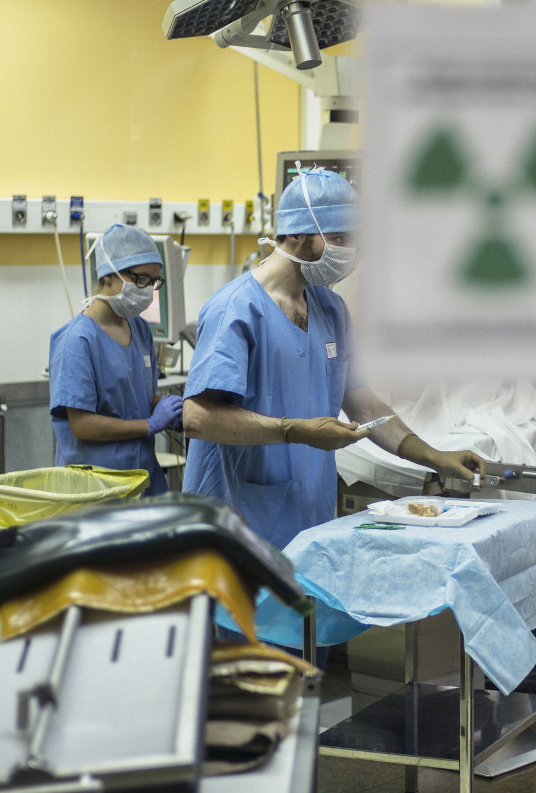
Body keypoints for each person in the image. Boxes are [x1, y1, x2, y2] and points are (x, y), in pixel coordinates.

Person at [182, 168, 486, 554]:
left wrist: (434, 457)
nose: (349, 253)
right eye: (339, 239)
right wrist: (294, 431)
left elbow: (365, 405)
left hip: (306, 519)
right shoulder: (236, 309)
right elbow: (197, 418)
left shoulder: (331, 309)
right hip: (235, 523)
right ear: (296, 233)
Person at [48, 223, 182, 494]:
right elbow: (82, 425)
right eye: (141, 279)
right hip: (96, 486)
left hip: (143, 476)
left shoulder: (139, 329)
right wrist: (150, 424)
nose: (148, 289)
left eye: (153, 282)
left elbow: (139, 397)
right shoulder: (77, 340)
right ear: (108, 275)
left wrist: (175, 410)